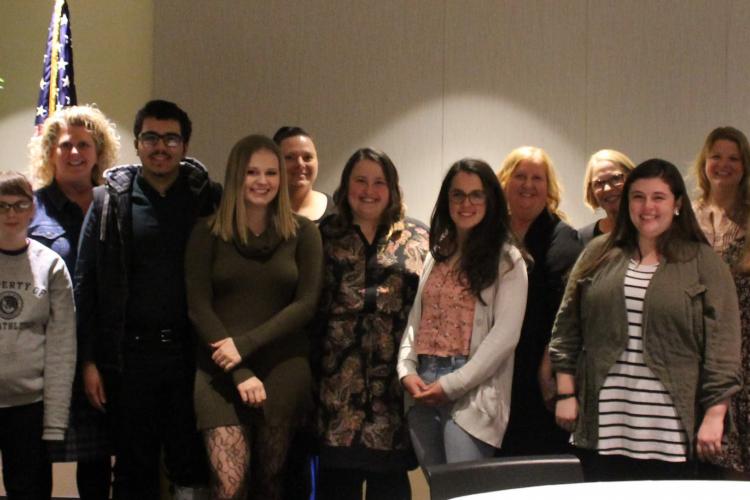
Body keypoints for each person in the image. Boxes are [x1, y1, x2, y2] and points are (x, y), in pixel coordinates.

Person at [550, 158, 741, 481]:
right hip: (606, 425)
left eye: (658, 197)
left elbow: (724, 347)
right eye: (638, 197)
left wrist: (714, 414)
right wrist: (566, 394)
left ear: (677, 204)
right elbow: (566, 330)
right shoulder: (597, 254)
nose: (647, 206)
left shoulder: (703, 261)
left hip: (671, 431)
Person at [76, 100, 220, 499]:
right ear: (137, 144)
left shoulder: (208, 201)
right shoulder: (108, 202)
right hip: (127, 360)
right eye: (151, 137)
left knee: (191, 464)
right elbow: (85, 285)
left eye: (171, 138)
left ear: (185, 145)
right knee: (132, 470)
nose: (161, 147)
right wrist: (89, 361)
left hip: (190, 357)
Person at [185, 134, 323, 500]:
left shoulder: (303, 233)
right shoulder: (206, 232)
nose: (262, 181)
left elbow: (306, 304)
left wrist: (243, 346)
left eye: (271, 172)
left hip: (282, 368)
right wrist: (239, 369)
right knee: (229, 487)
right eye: (252, 172)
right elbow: (199, 308)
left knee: (271, 484)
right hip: (220, 371)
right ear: (235, 176)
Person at [397, 159, 527, 467]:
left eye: (476, 195)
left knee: (464, 492)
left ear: (490, 200)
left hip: (473, 390)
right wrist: (406, 370)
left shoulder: (508, 260)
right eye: (457, 194)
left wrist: (452, 384)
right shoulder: (437, 253)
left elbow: (505, 337)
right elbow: (417, 319)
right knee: (438, 490)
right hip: (423, 384)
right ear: (446, 200)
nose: (465, 203)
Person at [315, 148, 429, 500]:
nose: (369, 190)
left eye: (379, 182)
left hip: (392, 390)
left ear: (392, 188)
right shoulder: (323, 234)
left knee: (390, 488)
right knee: (337, 487)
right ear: (346, 186)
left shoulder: (417, 236)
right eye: (360, 181)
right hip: (335, 387)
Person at [28, 104, 119, 499]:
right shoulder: (30, 209)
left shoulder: (116, 205)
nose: (75, 153)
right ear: (51, 151)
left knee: (98, 462)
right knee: (35, 459)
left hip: (105, 350)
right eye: (66, 145)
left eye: (84, 144)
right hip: (47, 356)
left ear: (99, 152)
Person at [495, 146, 582, 455]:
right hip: (493, 369)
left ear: (549, 187)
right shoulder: (490, 233)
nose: (528, 185)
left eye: (537, 178)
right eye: (520, 176)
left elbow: (567, 312)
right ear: (504, 181)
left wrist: (549, 363)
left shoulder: (563, 238)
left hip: (538, 372)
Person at [0, 171, 76, 499]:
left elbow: (61, 349)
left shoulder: (52, 266)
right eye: (2, 207)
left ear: (33, 209)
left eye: (20, 205)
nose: (11, 214)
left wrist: (54, 422)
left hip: (29, 407)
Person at [692, 126, 750, 475]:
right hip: (696, 341)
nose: (723, 165)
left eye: (733, 158)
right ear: (704, 162)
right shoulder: (684, 216)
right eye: (716, 157)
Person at [273, 126, 335, 223]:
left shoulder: (337, 212)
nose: (300, 164)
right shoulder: (261, 214)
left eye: (307, 157)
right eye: (290, 157)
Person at [579, 149, 635, 245]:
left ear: (633, 179)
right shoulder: (582, 239)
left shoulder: (652, 234)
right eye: (599, 183)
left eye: (616, 178)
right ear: (591, 190)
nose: (607, 188)